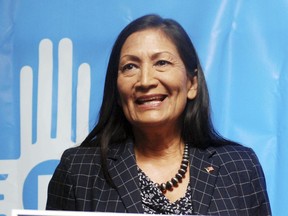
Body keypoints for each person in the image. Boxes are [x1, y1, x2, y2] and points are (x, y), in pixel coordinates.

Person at [46, 14, 271, 215]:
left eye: (161, 63)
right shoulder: (78, 170)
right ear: (116, 88)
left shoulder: (240, 166)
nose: (145, 81)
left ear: (192, 84)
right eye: (130, 67)